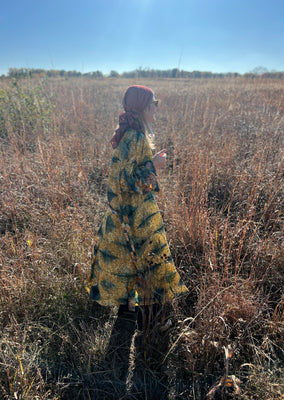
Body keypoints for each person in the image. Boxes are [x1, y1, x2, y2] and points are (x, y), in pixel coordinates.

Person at [86, 85, 188, 392]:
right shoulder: (136, 137)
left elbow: (124, 177)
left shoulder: (130, 136)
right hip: (136, 220)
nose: (157, 108)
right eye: (154, 103)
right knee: (150, 269)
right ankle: (152, 331)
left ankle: (131, 323)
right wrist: (154, 166)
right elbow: (126, 181)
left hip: (127, 219)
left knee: (133, 271)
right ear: (143, 107)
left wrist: (149, 163)